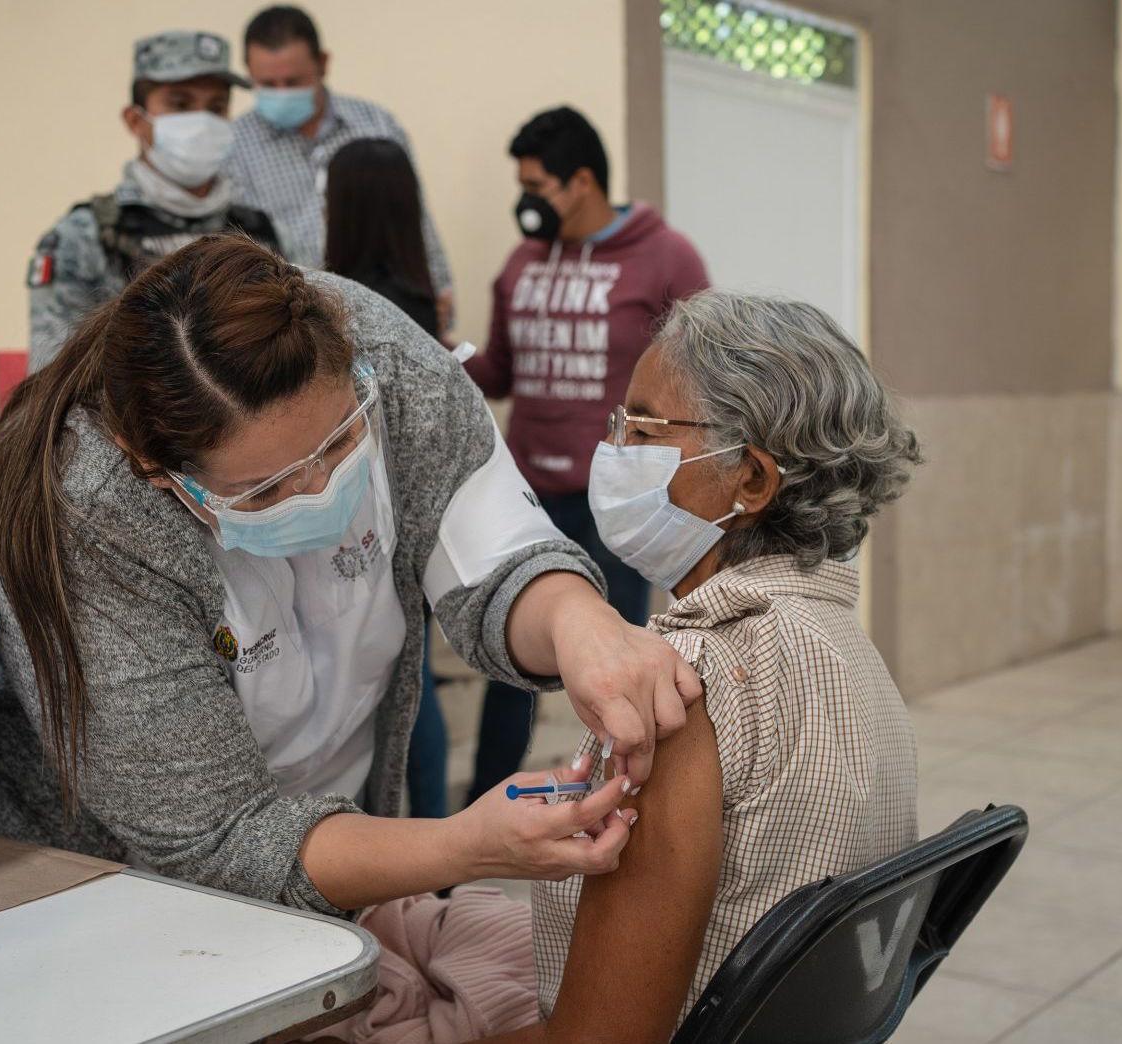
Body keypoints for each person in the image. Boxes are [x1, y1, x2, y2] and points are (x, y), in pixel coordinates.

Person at [0, 235, 702, 919]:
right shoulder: (86, 513)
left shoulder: (389, 359)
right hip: (112, 900)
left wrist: (583, 626)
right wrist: (465, 845)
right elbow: (218, 839)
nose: (318, 492)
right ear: (155, 468)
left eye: (343, 441)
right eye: (265, 492)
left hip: (341, 844)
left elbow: (497, 563)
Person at [328, 293, 922, 1043]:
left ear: (751, 480)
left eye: (642, 427)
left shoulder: (680, 684)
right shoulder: (842, 642)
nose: (611, 450)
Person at [463, 105, 710, 806]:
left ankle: (628, 801)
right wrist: (436, 357)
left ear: (580, 182)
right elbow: (502, 372)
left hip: (615, 503)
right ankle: (487, 805)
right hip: (522, 497)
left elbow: (703, 372)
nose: (526, 203)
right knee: (509, 666)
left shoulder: (666, 257)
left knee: (616, 664)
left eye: (537, 186)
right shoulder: (521, 264)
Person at [26, 30, 282, 372]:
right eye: (180, 104)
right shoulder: (85, 238)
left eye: (217, 107)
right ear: (136, 121)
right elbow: (54, 383)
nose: (201, 120)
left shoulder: (263, 232)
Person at [322, 137, 447, 819]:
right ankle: (430, 842)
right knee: (411, 672)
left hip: (367, 519)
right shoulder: (421, 301)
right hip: (408, 516)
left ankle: (415, 842)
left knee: (396, 681)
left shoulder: (350, 313)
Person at [226, 5, 456, 333]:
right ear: (249, 72)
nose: (280, 93)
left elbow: (414, 221)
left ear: (322, 64)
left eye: (292, 82)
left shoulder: (375, 125)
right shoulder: (234, 146)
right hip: (291, 330)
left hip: (388, 311)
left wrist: (438, 294)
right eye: (267, 84)